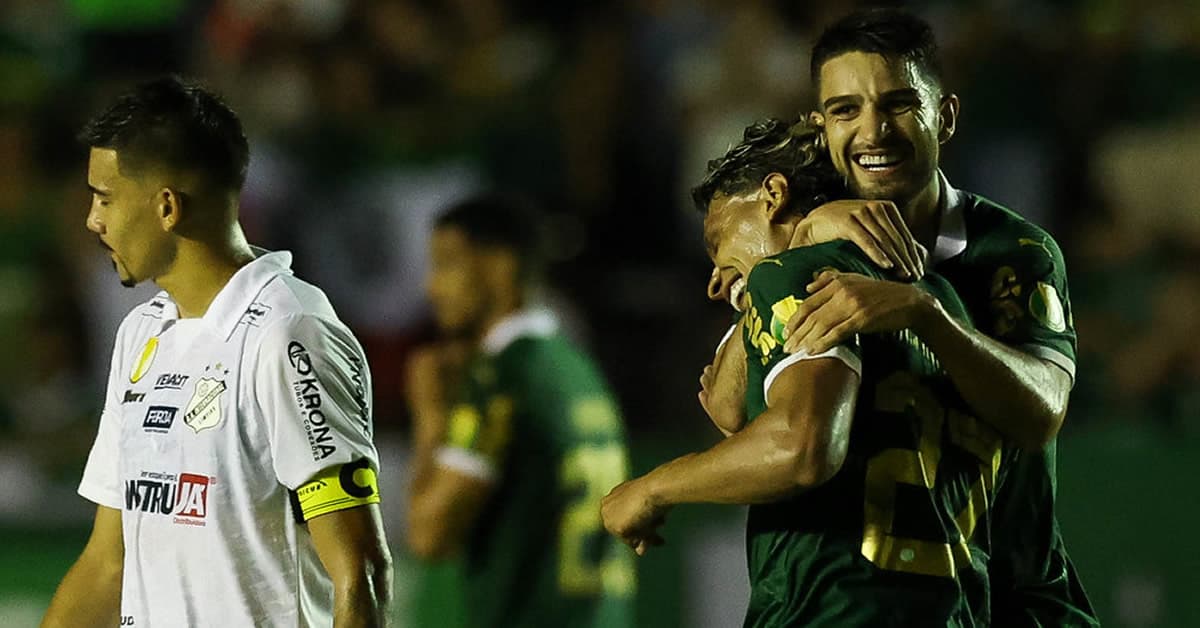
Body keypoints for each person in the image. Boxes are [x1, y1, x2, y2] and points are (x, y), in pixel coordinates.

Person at [603, 116, 1004, 626]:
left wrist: (652, 488)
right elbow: (729, 410)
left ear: (772, 196)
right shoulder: (942, 302)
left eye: (717, 240)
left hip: (833, 611)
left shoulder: (790, 276)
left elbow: (801, 446)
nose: (712, 281)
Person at [779, 9, 1097, 626]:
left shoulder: (1016, 251)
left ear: (944, 116)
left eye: (897, 104)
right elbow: (731, 407)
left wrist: (929, 315)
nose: (873, 132)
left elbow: (1043, 414)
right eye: (846, 110)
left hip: (1012, 602)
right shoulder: (804, 245)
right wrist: (802, 236)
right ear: (820, 128)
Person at [41, 76, 392, 628]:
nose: (92, 219)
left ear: (166, 207)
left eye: (105, 197)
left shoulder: (286, 333)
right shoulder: (142, 335)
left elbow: (360, 571)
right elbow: (108, 564)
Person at [405, 195, 635, 628]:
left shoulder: (501, 379)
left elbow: (429, 535)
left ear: (498, 266)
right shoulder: (578, 369)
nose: (431, 287)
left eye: (446, 264)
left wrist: (431, 415)